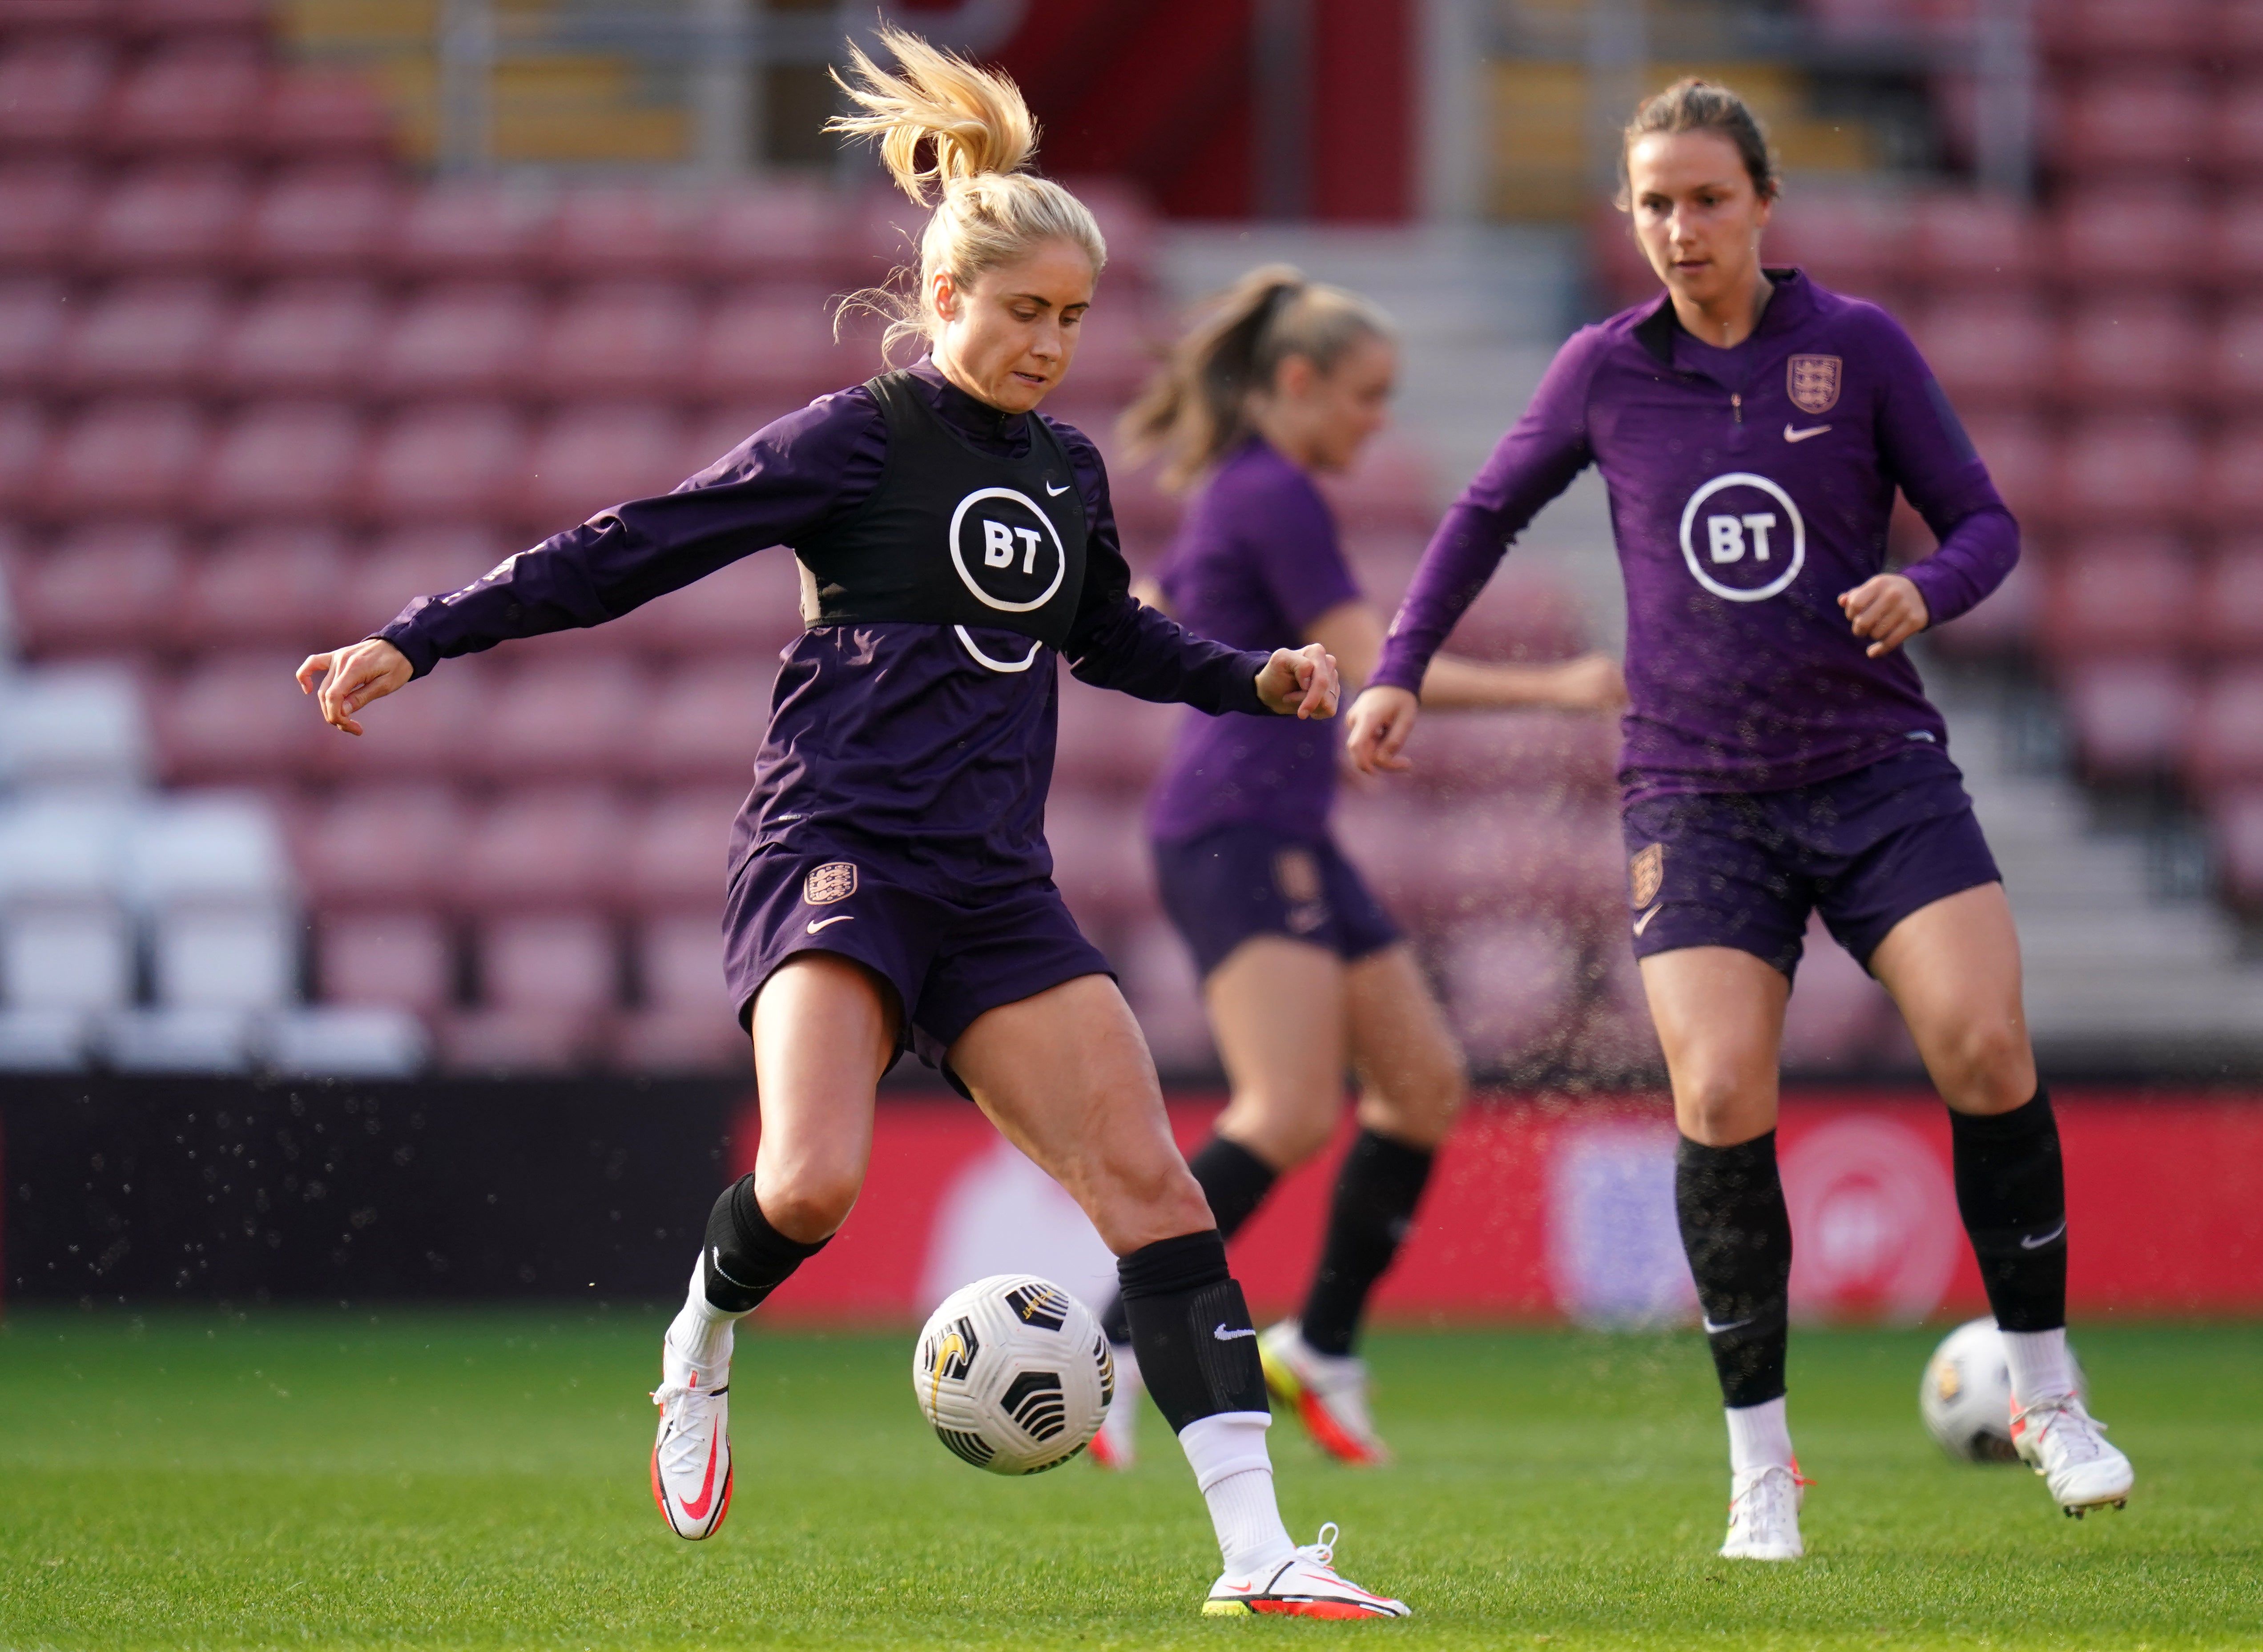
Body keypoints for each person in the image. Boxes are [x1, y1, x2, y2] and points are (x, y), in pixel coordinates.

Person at [296, 28, 1409, 1621]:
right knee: (811, 1183)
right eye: (1023, 312)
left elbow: (1110, 637)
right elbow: (637, 545)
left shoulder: (1072, 471)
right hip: (835, 851)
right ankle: (701, 1334)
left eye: (1073, 320)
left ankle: (1257, 1556)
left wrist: (1258, 677)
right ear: (945, 300)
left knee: (1156, 1189)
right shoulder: (858, 437)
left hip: (993, 885)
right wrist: (420, 633)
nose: (1047, 344)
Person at [1342, 79, 2132, 1561]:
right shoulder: (1603, 369)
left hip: (1878, 769)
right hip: (1697, 794)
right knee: (1717, 1101)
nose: (1681, 228)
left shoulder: (1860, 348)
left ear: (1765, 204)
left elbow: (1988, 524)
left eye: (1708, 198)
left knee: (1984, 1044)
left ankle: (2049, 1391)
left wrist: (1929, 588)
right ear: (1629, 217)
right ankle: (1761, 1469)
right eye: (1655, 203)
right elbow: (1480, 515)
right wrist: (1399, 672)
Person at [1085, 266, 1624, 1470]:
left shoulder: (1255, 493)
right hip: (1233, 826)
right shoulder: (1271, 494)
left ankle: (1320, 1344)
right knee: (1282, 1109)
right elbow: (1376, 663)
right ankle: (1112, 1349)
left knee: (1424, 1080)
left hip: (1286, 831)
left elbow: (1197, 605)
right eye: (1365, 395)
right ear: (1297, 382)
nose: (1378, 420)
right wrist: (1558, 685)